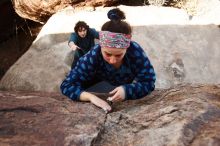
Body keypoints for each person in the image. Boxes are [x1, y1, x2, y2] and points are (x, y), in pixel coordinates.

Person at [61, 8, 156, 113]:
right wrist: (91, 97)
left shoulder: (135, 52)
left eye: (119, 55)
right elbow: (67, 85)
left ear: (127, 48)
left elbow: (149, 82)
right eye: (107, 54)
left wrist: (127, 90)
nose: (112, 60)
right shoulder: (93, 55)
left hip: (125, 82)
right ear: (101, 46)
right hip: (96, 81)